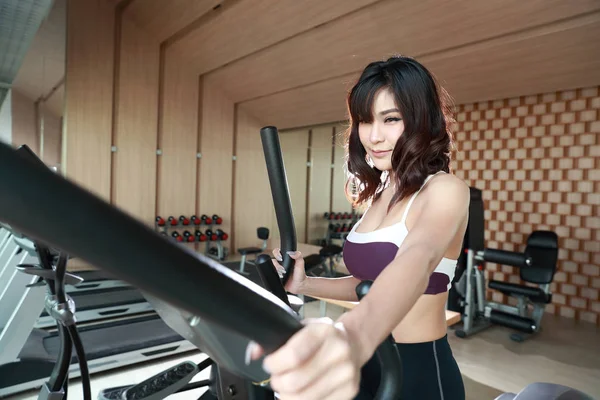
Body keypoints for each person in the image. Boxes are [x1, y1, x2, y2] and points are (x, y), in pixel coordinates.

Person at [247, 55, 469, 400]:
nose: (374, 136)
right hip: (369, 363)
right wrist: (306, 283)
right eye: (365, 121)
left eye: (391, 119)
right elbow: (369, 285)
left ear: (422, 121)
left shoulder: (445, 190)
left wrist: (352, 336)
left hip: (418, 368)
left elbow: (418, 259)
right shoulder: (379, 194)